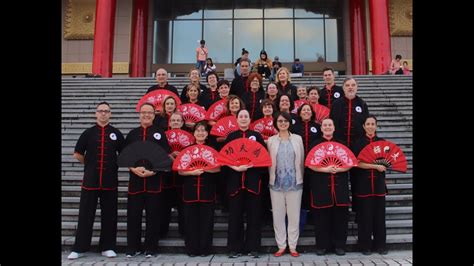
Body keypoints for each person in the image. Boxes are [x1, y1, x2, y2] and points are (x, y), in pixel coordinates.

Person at [67, 102, 124, 260]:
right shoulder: (88, 133)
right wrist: (90, 163)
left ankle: (107, 247)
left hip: (110, 182)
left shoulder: (116, 134)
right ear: (96, 114)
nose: (104, 113)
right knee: (85, 215)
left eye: (106, 111)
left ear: (110, 114)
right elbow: (77, 154)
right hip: (90, 181)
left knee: (110, 215)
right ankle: (79, 248)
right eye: (101, 111)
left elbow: (124, 154)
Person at [124, 103, 172, 258]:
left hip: (154, 181)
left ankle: (151, 247)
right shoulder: (132, 134)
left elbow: (165, 157)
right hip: (136, 181)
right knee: (133, 216)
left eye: (149, 113)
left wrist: (153, 171)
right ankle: (133, 247)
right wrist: (134, 169)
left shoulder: (159, 133)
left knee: (153, 216)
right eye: (143, 112)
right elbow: (126, 157)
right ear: (139, 114)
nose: (146, 115)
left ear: (154, 115)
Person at [306, 118, 353, 256]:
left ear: (334, 128)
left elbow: (350, 162)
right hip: (321, 186)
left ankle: (339, 245)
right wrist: (325, 169)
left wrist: (339, 169)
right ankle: (322, 246)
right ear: (321, 128)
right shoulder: (315, 144)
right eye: (325, 125)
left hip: (340, 187)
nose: (327, 127)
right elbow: (309, 164)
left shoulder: (342, 144)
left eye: (330, 125)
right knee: (321, 218)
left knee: (340, 218)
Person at [225, 109, 266, 259]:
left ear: (250, 120)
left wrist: (252, 164)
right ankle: (234, 248)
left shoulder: (256, 136)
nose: (243, 119)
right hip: (235, 182)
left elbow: (264, 159)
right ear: (236, 120)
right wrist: (235, 166)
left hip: (253, 183)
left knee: (254, 217)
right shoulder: (231, 136)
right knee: (234, 217)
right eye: (241, 116)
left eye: (246, 116)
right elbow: (224, 159)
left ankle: (253, 247)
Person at [178, 121, 221, 257]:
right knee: (190, 221)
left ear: (207, 134)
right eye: (198, 130)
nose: (200, 133)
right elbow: (180, 171)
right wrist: (192, 172)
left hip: (207, 190)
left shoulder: (213, 149)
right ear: (194, 133)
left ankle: (205, 249)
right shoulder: (187, 150)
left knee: (207, 221)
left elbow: (218, 168)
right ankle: (191, 249)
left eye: (203, 130)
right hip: (190, 191)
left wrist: (205, 169)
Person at [267, 111, 305, 258]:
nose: (283, 123)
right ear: (276, 123)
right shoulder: (271, 141)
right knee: (278, 216)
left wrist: (300, 178)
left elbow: (301, 161)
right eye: (280, 121)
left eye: (285, 121)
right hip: (276, 183)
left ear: (290, 123)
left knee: (294, 216)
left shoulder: (297, 139)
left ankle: (293, 246)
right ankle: (281, 246)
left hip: (295, 183)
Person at [350, 115, 388, 255]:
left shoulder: (382, 143)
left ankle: (381, 245)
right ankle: (364, 246)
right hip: (363, 185)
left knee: (380, 217)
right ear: (364, 126)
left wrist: (382, 166)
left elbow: (387, 161)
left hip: (378, 186)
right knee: (365, 217)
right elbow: (356, 163)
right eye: (368, 124)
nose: (371, 126)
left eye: (373, 124)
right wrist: (374, 166)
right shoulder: (358, 143)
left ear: (376, 126)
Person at [330, 77, 369, 148]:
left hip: (358, 144)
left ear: (357, 87)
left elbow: (366, 123)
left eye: (353, 85)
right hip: (339, 143)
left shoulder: (362, 104)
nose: (350, 87)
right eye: (347, 85)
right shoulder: (336, 104)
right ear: (343, 88)